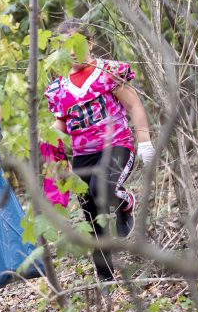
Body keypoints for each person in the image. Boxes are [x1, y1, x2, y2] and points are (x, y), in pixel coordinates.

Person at [43, 18, 155, 281]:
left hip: (116, 144)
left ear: (90, 43)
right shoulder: (58, 87)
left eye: (77, 43)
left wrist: (145, 141)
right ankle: (105, 275)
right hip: (83, 155)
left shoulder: (108, 71)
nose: (71, 51)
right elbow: (61, 122)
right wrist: (48, 142)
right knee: (91, 213)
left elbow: (135, 106)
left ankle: (124, 203)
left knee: (101, 188)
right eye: (64, 45)